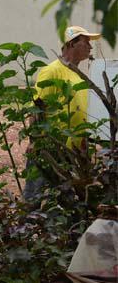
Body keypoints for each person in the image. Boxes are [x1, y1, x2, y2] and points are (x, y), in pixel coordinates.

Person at [24, 25, 101, 201]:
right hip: (52, 149)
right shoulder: (52, 71)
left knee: (65, 202)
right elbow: (37, 107)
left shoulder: (78, 74)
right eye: (86, 42)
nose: (90, 47)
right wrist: (36, 141)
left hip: (74, 151)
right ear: (72, 43)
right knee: (37, 199)